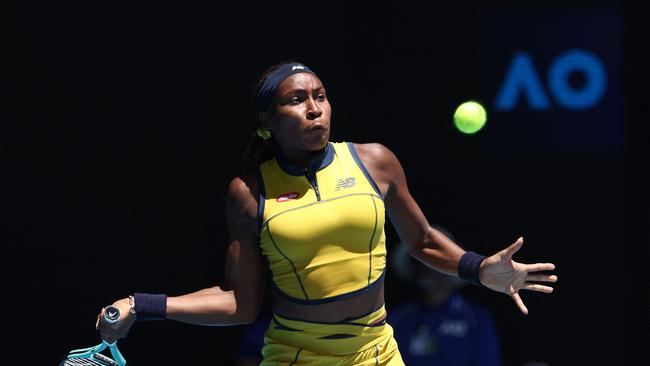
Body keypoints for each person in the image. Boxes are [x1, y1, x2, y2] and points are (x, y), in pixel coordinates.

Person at [96, 61, 558, 365]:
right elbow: (240, 304)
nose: (314, 108)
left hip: (376, 350)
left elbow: (421, 242)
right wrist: (145, 305)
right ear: (266, 121)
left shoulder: (374, 160)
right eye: (297, 100)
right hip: (298, 355)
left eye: (320, 95)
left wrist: (478, 269)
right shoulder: (248, 193)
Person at [388, 227, 502, 366]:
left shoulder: (475, 318)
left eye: (433, 261)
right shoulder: (396, 319)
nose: (426, 267)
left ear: (449, 267)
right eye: (419, 261)